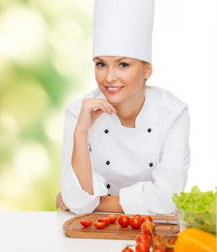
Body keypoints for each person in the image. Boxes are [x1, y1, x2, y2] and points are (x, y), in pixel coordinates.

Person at [56, 0, 191, 215]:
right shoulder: (79, 111)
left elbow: (166, 201)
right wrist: (81, 133)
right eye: (101, 64)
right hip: (92, 236)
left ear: (147, 70)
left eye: (123, 65)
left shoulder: (172, 113)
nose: (109, 78)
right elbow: (80, 203)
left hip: (151, 234)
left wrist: (96, 204)